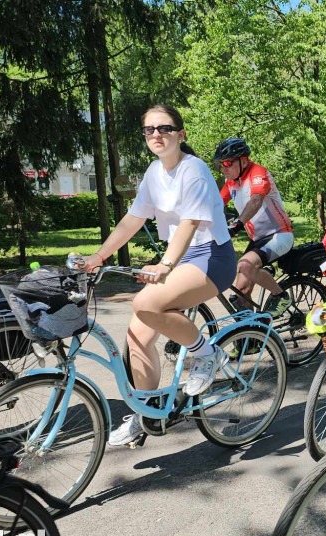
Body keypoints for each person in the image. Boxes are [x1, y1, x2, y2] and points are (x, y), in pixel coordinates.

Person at [76, 104, 236, 447]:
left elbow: (191, 224)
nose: (156, 135)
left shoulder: (194, 170)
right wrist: (99, 256)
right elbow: (132, 220)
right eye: (149, 130)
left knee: (146, 302)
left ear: (181, 134)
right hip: (181, 258)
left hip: (212, 256)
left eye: (164, 128)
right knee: (137, 338)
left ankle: (206, 352)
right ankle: (148, 413)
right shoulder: (153, 173)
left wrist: (164, 265)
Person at [214, 138, 294, 316]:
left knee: (245, 265)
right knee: (241, 291)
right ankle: (251, 339)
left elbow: (256, 199)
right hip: (258, 239)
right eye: (221, 164)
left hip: (279, 235)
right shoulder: (232, 182)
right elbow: (216, 204)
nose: (223, 168)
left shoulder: (257, 172)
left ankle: (281, 296)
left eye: (227, 163)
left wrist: (237, 225)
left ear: (243, 161)